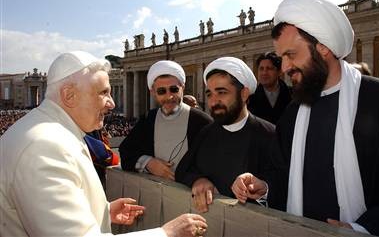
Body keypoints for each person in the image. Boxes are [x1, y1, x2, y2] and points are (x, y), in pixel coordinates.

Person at [231, 0, 379, 236]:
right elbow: (281, 172)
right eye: (282, 58)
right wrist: (264, 187)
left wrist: (362, 228)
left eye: (291, 54)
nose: (285, 68)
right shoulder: (293, 113)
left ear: (323, 47)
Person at [0, 51, 208, 236]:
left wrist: (102, 212)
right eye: (103, 93)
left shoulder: (48, 131)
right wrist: (167, 233)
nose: (112, 103)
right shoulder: (44, 147)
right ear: (69, 95)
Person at [176, 57, 276, 213]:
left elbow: (284, 183)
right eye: (209, 94)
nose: (214, 102)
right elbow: (183, 170)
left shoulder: (269, 134)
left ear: (244, 94)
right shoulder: (205, 133)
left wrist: (264, 187)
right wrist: (198, 180)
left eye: (222, 92)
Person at [119, 60, 212, 181]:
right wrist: (148, 163)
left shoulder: (202, 121)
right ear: (153, 92)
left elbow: (215, 162)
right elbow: (126, 152)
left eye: (174, 89)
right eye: (162, 91)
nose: (169, 96)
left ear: (182, 87)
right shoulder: (148, 120)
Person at [248, 52, 292, 124]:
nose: (264, 73)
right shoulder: (250, 98)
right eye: (261, 69)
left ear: (279, 72)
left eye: (269, 68)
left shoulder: (294, 96)